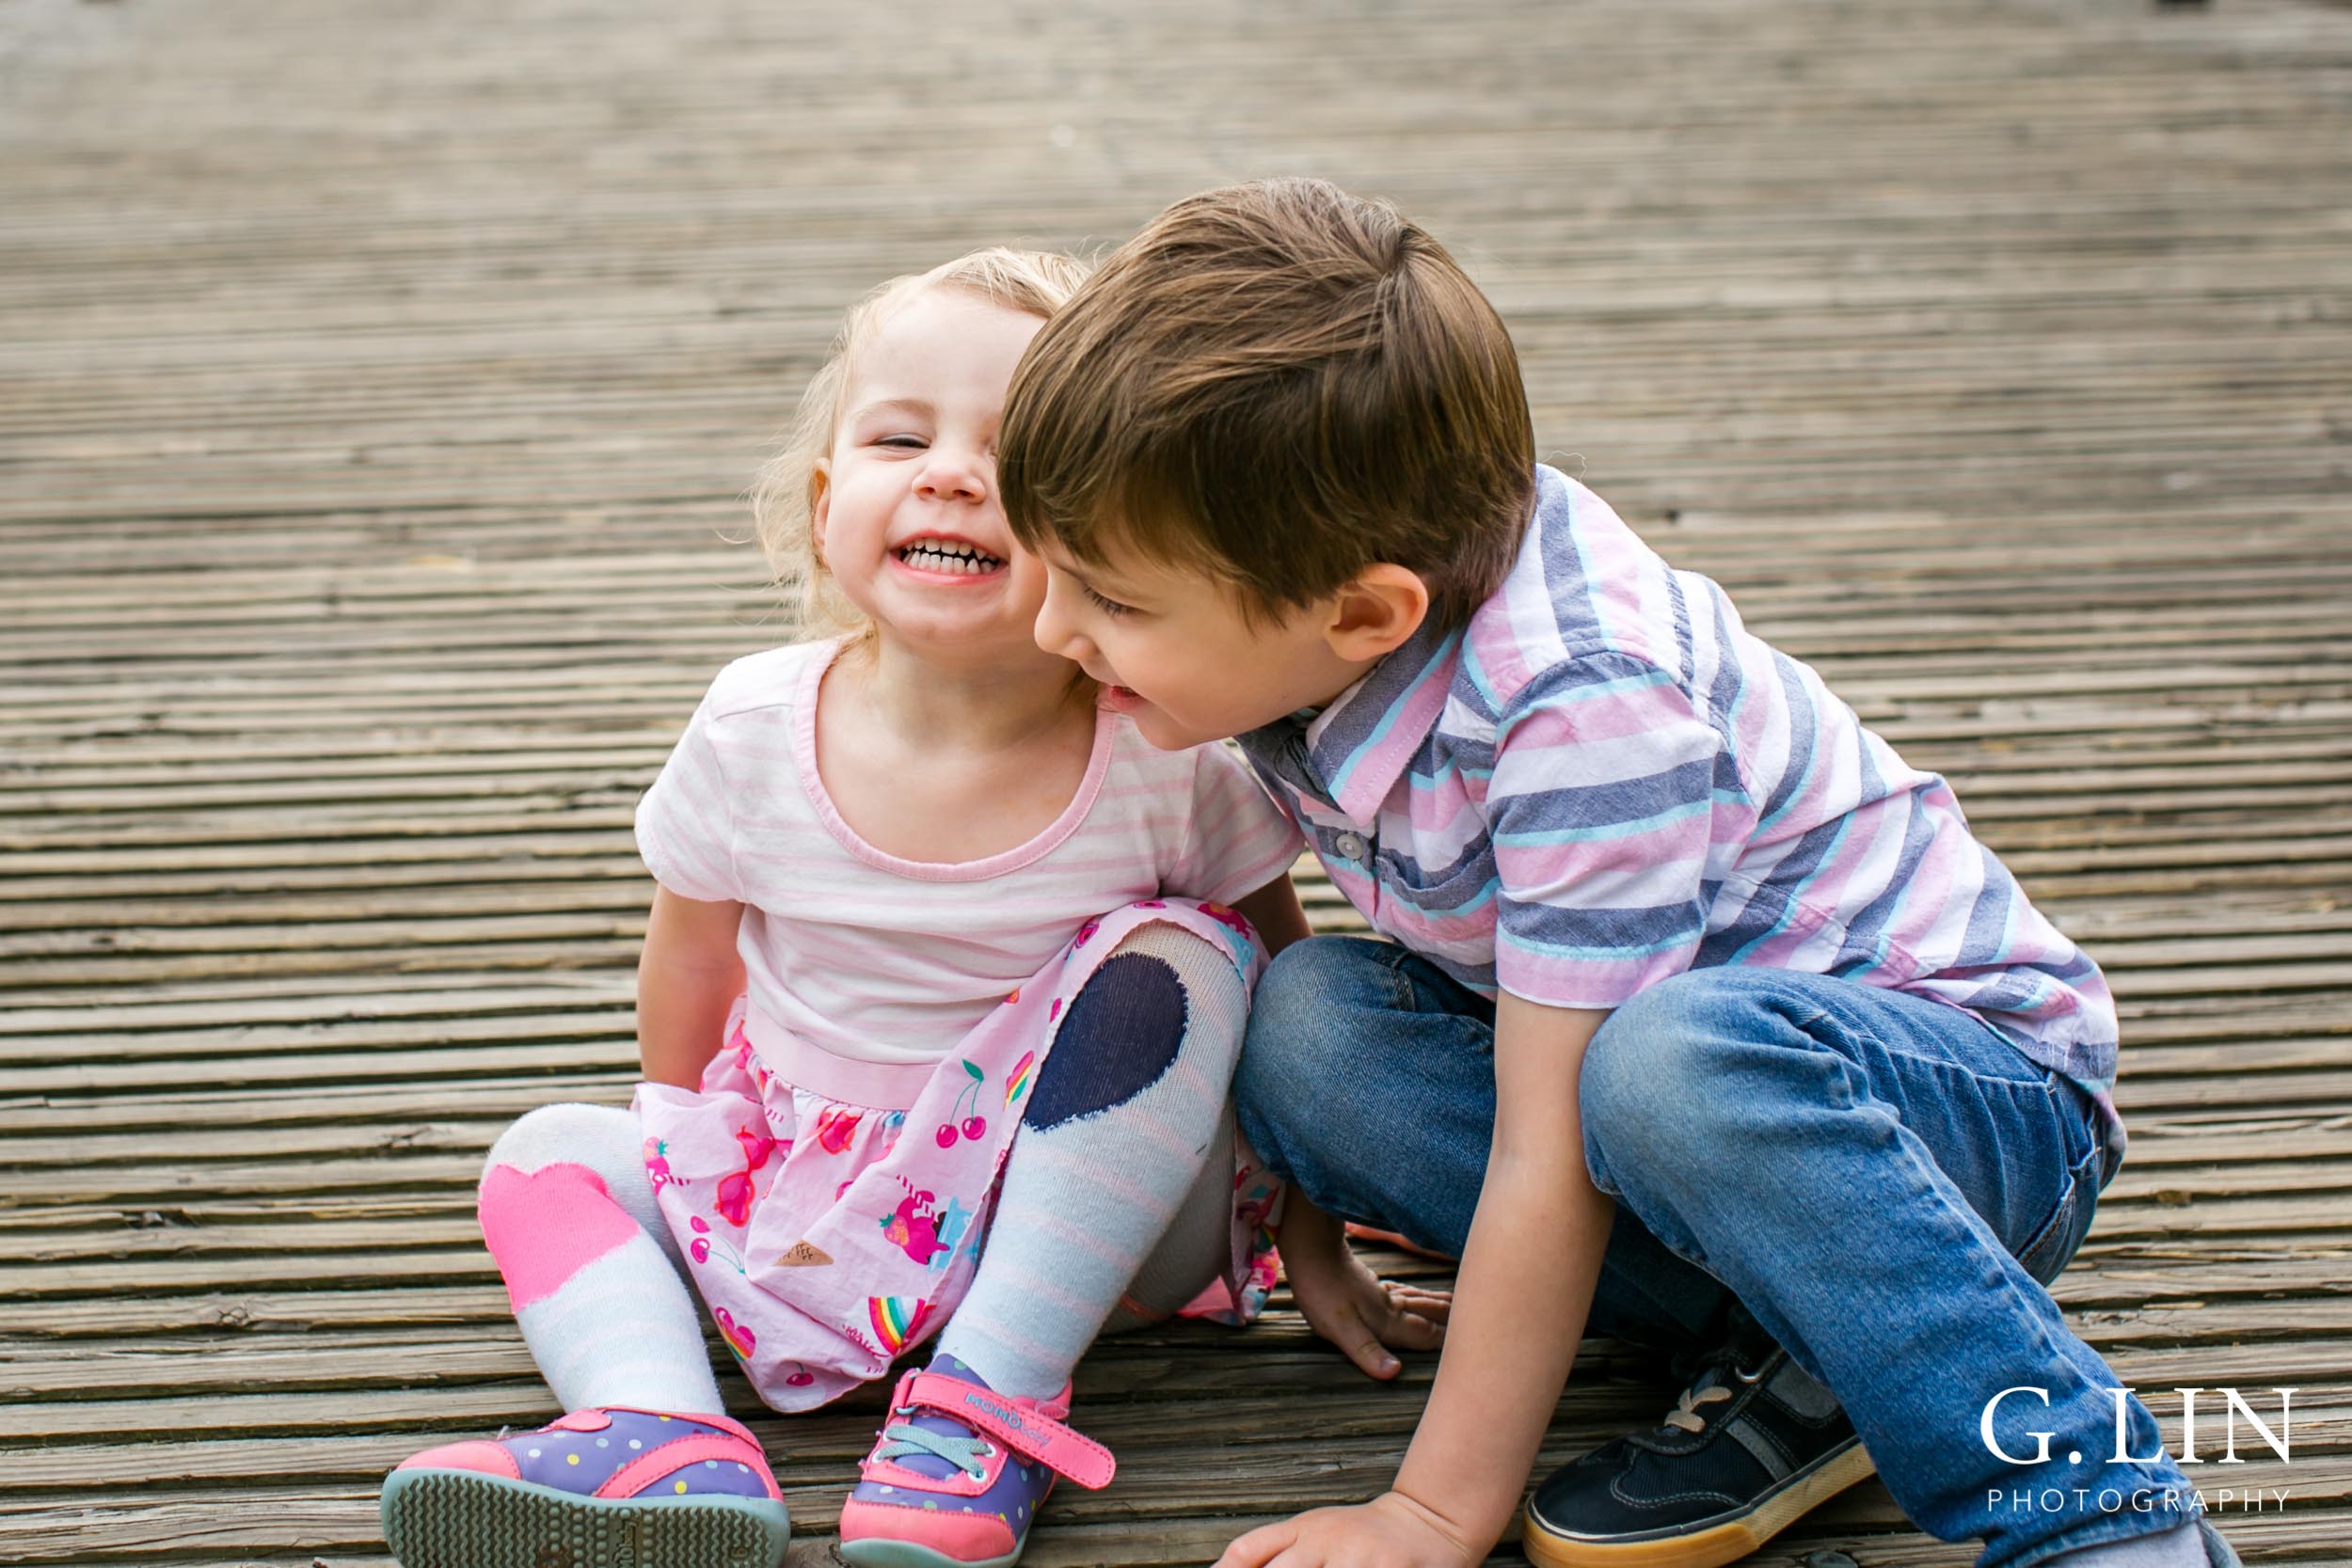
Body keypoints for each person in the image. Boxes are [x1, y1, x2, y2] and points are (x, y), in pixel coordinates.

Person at [996, 179, 2237, 1568]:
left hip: (1965, 1119)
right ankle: (1825, 1350)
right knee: (1308, 1029)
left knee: (1667, 1062)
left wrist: (1431, 1510)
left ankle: (2097, 1510)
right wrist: (1306, 1232)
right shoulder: (1311, 594)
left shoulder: (1584, 710)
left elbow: (1551, 1136)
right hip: (1668, 1104)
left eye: (1108, 599)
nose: (1051, 627)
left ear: (1365, 614)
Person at [375, 246, 1312, 1568]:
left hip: (1077, 1235)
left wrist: (1311, 1231)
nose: (948, 472)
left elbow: (1289, 990)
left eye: (1014, 452)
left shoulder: (1165, 756)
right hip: (809, 1194)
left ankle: (987, 1399)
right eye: (899, 436)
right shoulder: (754, 729)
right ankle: (660, 1431)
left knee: (1191, 960)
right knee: (545, 1154)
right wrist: (701, 1158)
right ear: (828, 503)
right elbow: (689, 969)